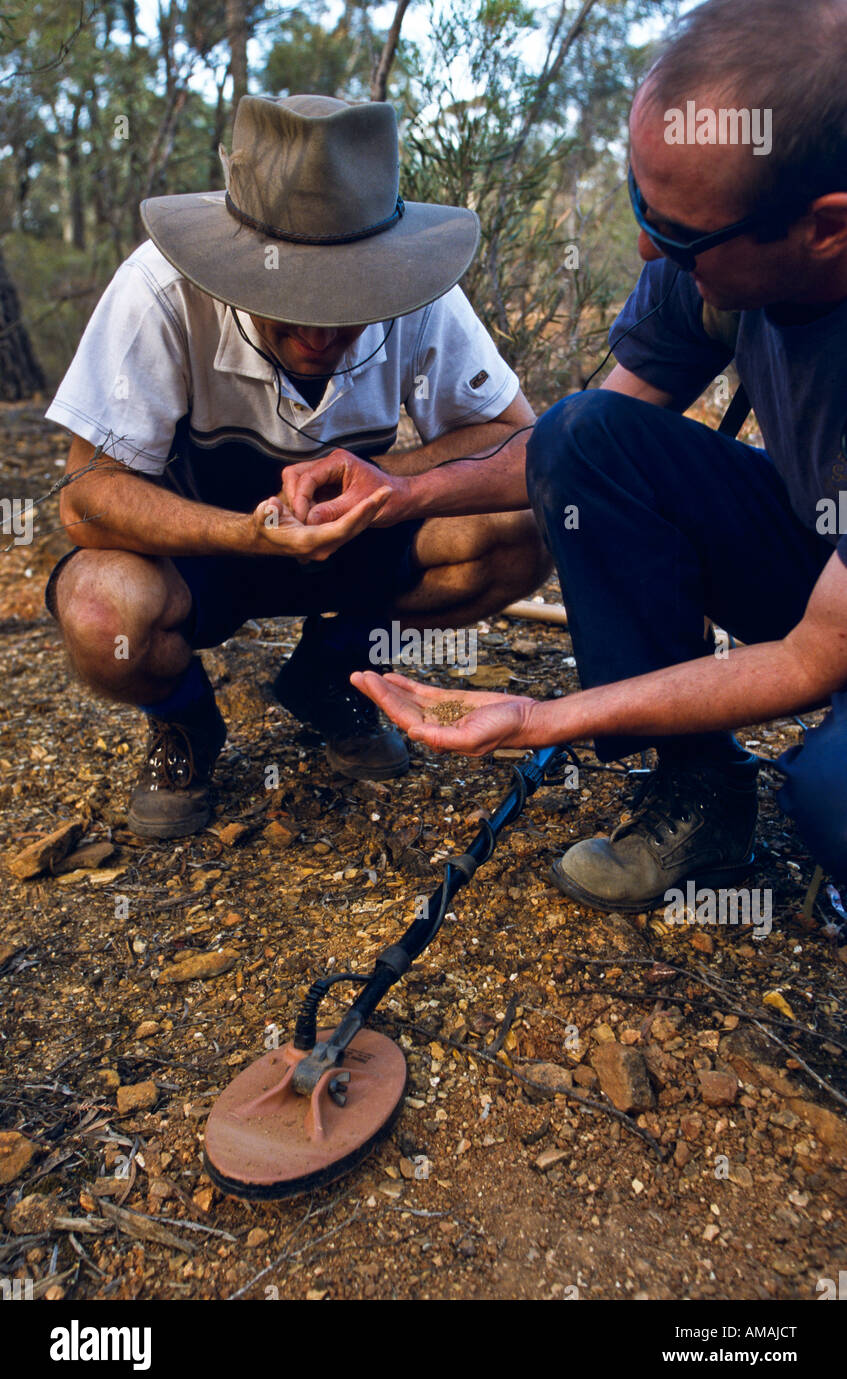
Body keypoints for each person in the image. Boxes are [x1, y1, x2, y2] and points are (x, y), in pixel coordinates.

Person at [353, 0, 847, 906]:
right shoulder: (707, 263)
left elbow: (819, 656)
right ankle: (698, 791)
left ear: (825, 228)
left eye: (681, 236)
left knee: (833, 800)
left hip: (835, 621)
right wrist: (393, 495)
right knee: (586, 431)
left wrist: (542, 717)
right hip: (823, 557)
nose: (646, 245)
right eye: (637, 198)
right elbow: (568, 450)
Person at [44, 93, 549, 839]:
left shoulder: (418, 288)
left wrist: (395, 482)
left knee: (523, 524)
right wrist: (244, 533)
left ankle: (332, 670)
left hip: (355, 540)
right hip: (196, 557)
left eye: (349, 296)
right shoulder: (159, 285)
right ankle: (183, 722)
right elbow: (83, 500)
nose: (321, 331)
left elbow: (521, 441)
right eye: (291, 296)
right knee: (99, 611)